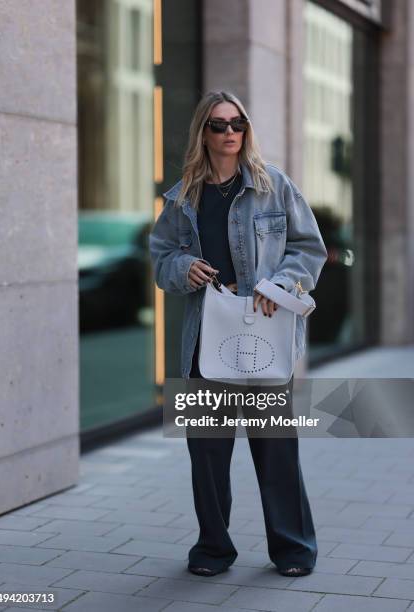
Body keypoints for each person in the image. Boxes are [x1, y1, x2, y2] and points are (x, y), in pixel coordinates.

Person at [149, 90, 328, 578]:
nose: (230, 133)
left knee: (276, 452)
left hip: (264, 337)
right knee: (206, 457)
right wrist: (183, 268)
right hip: (205, 341)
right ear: (202, 134)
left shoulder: (275, 187)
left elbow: (309, 248)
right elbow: (162, 259)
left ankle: (293, 550)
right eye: (218, 125)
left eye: (237, 124)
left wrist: (284, 282)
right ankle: (212, 550)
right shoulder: (182, 195)